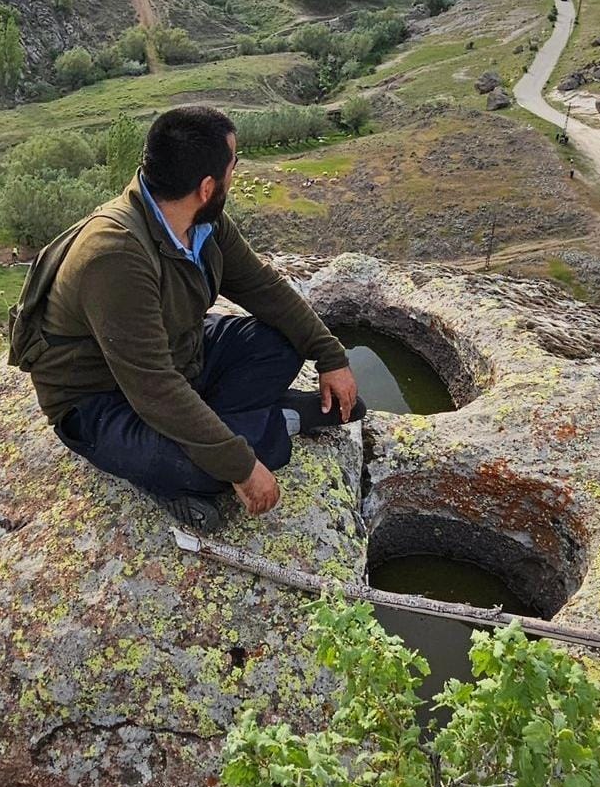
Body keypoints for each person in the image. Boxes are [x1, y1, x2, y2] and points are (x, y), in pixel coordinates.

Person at [28, 106, 364, 533]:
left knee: (283, 342)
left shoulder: (203, 223)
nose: (235, 174)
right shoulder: (115, 257)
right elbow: (154, 389)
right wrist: (242, 466)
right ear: (207, 186)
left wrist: (328, 355)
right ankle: (276, 424)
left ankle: (230, 430)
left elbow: (262, 287)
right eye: (234, 166)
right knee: (208, 464)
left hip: (180, 352)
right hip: (102, 400)